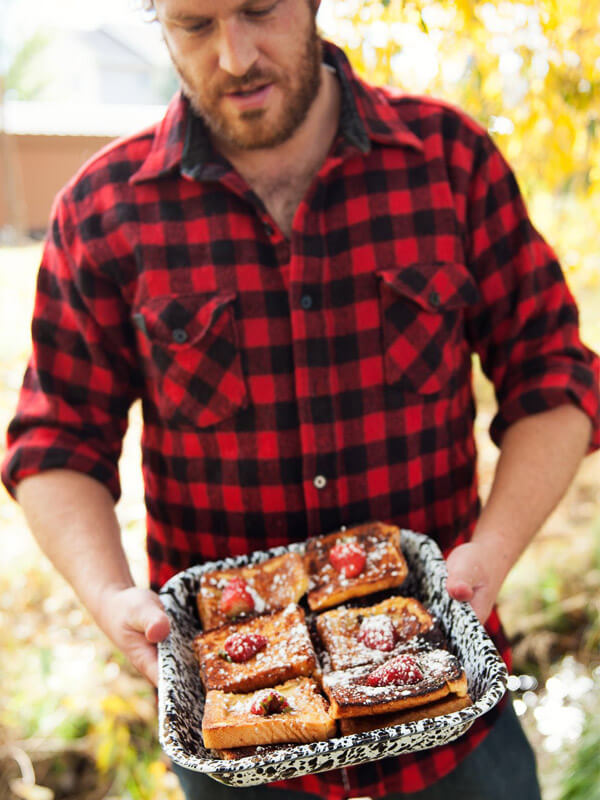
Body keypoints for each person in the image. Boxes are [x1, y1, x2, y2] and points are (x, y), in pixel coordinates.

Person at [3, 0, 599, 798]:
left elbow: (553, 375)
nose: (234, 55)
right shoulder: (101, 209)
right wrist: (111, 595)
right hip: (239, 753)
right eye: (194, 25)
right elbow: (55, 441)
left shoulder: (451, 161)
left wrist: (491, 555)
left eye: (259, 9)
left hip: (456, 728)